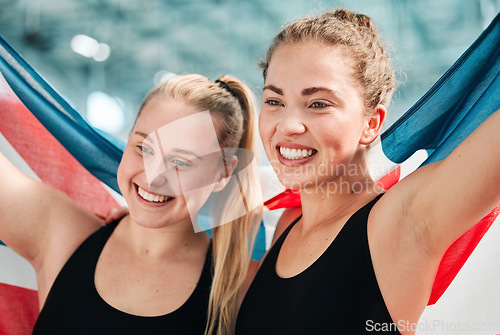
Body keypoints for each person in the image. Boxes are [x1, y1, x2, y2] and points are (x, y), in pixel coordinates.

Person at [235, 8, 500, 335]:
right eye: (274, 101)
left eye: (318, 103)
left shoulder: (400, 222)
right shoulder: (286, 225)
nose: (288, 126)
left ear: (370, 124)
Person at [0, 73, 261, 334]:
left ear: (224, 173)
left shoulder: (243, 287)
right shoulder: (62, 235)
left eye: (180, 162)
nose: (152, 177)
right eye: (144, 148)